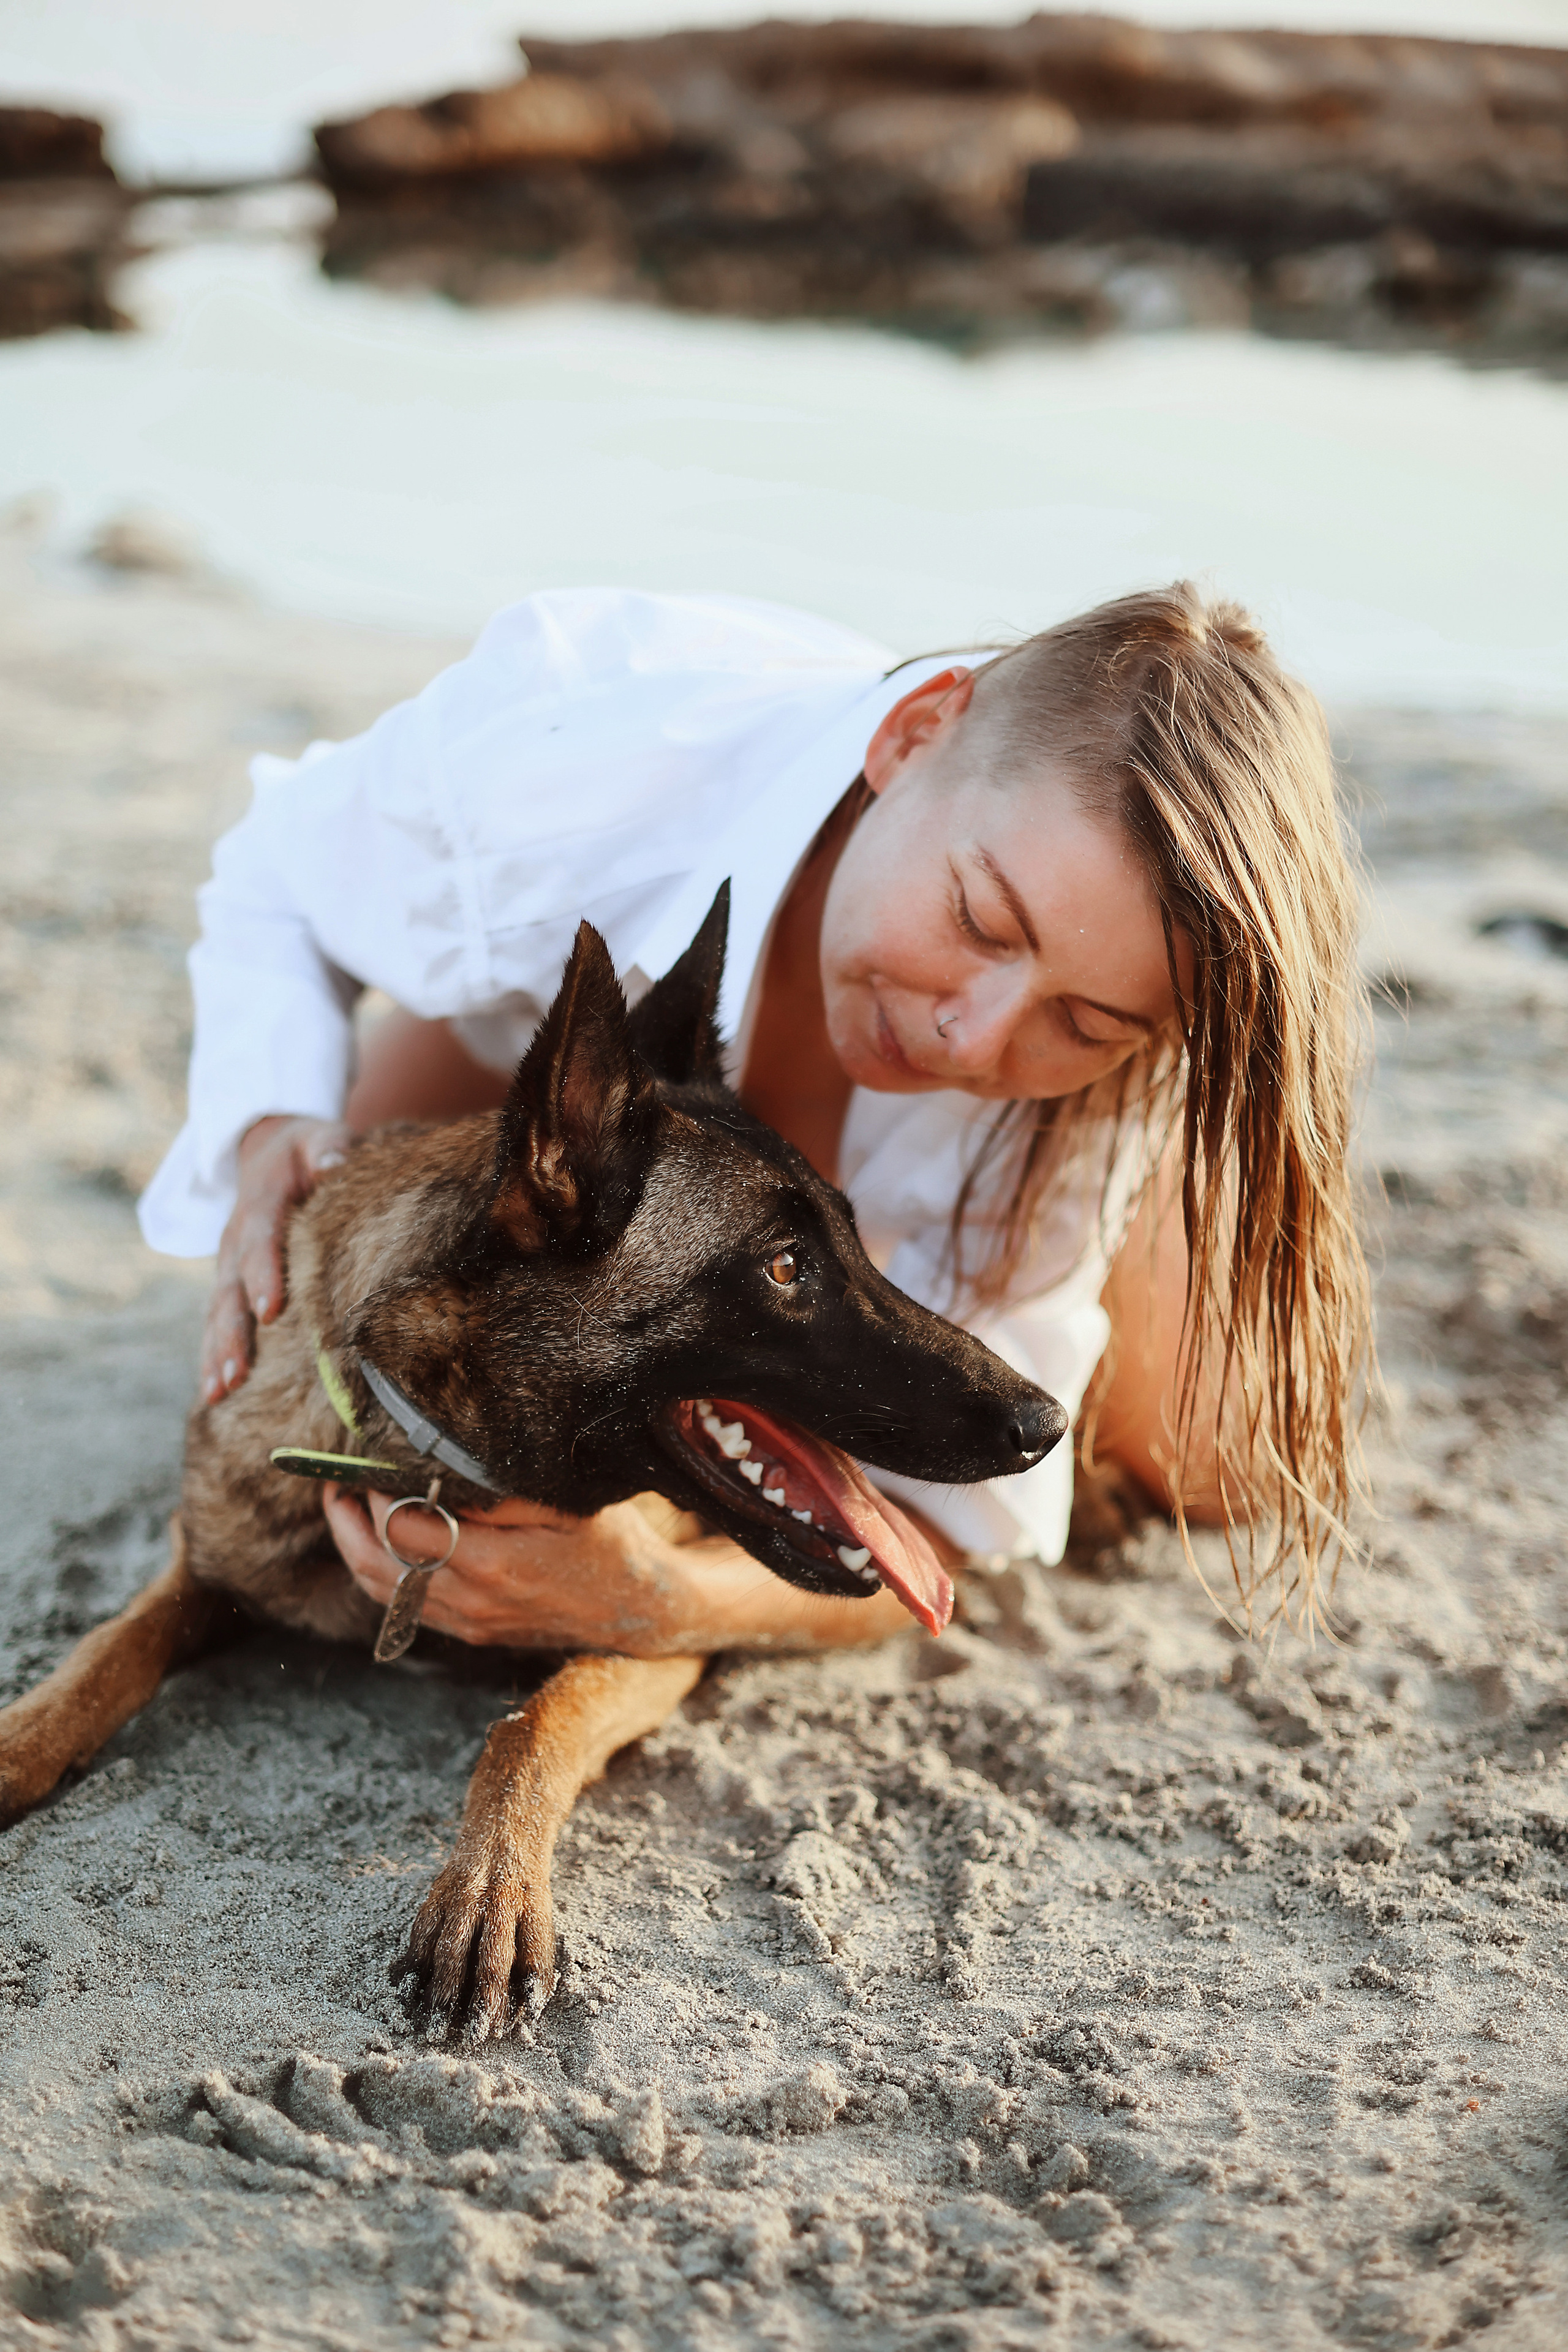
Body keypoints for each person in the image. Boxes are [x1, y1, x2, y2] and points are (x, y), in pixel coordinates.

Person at [140, 580, 1370, 1654]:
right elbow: (275, 867)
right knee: (361, 1279)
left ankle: (1147, 1220)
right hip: (542, 1061)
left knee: (1212, 1461)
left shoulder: (1062, 1099)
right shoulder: (586, 742)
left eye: (1087, 1020)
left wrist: (665, 1601)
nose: (973, 1039)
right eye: (982, 924)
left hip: (879, 1217)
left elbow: (950, 1539)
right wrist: (266, 1122)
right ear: (915, 733)